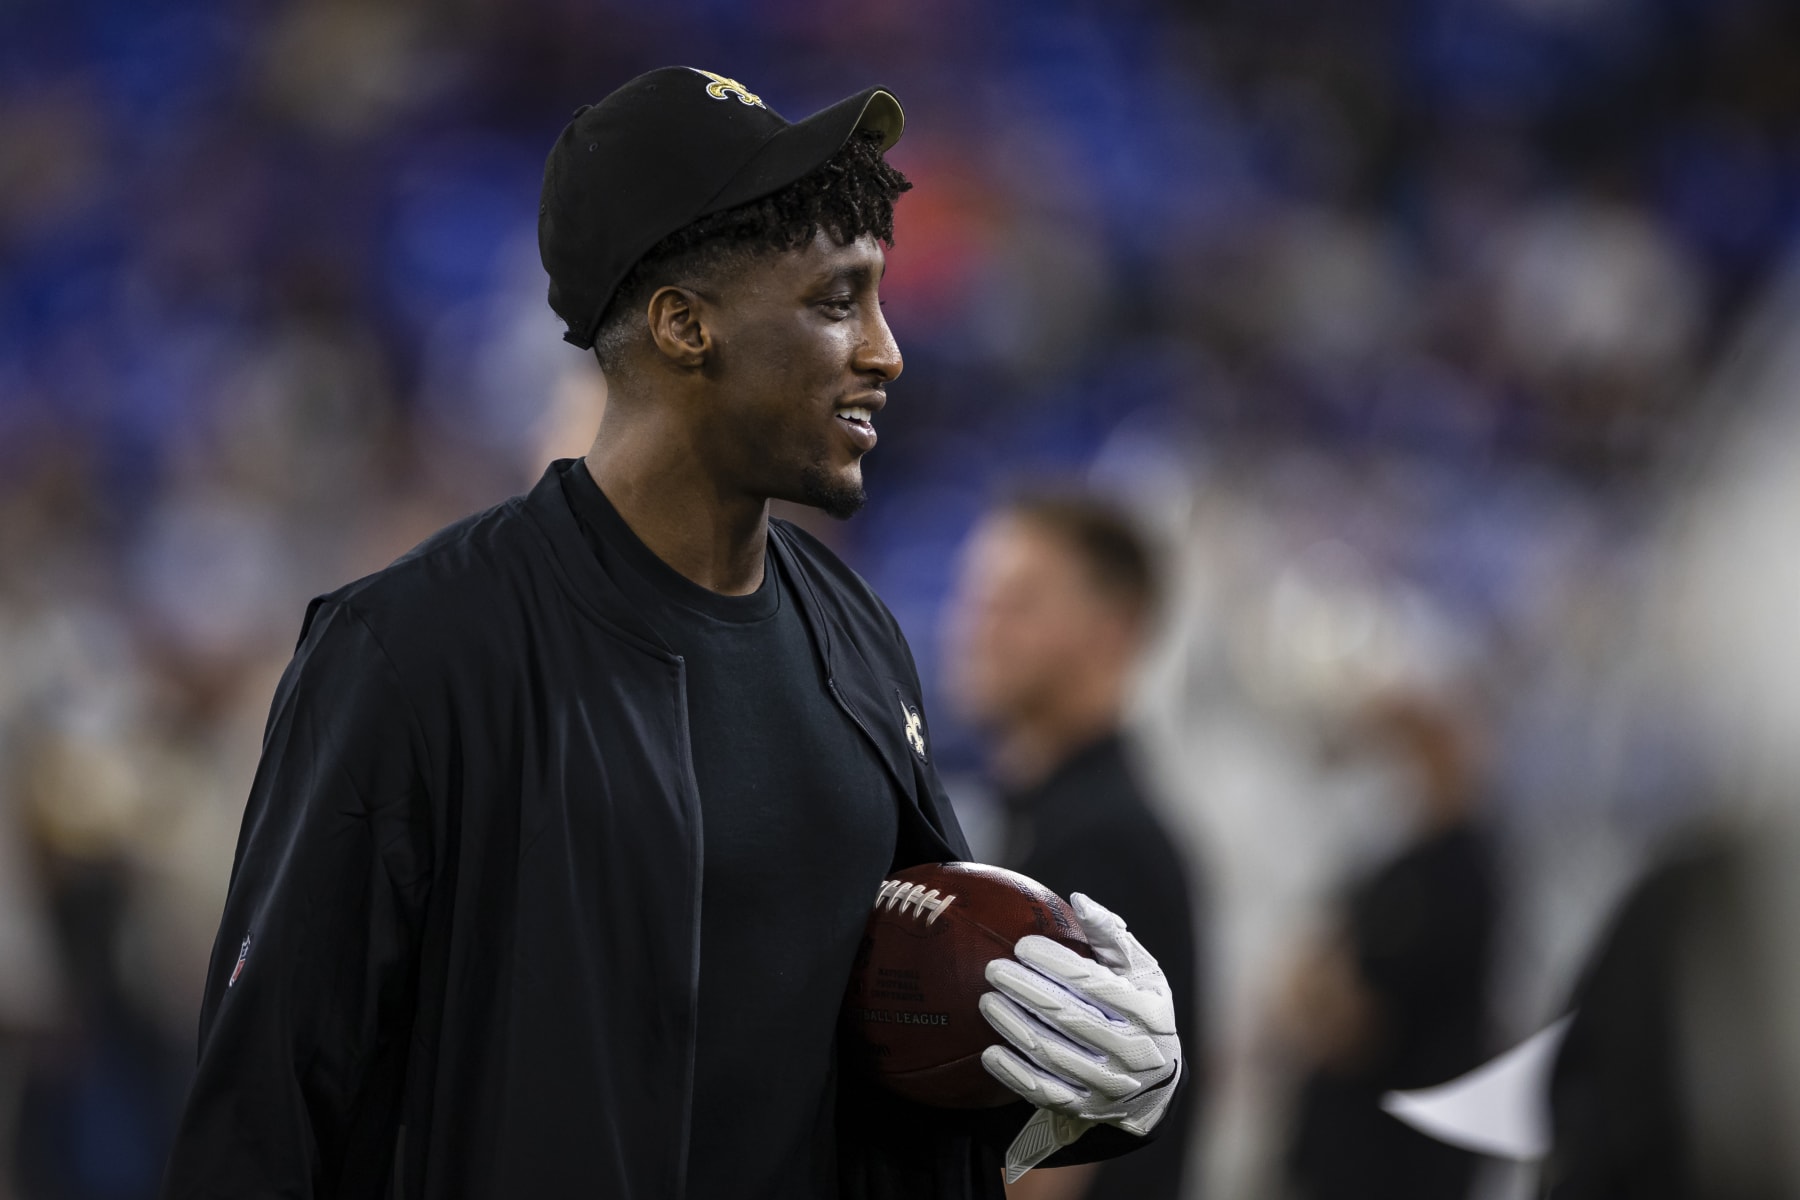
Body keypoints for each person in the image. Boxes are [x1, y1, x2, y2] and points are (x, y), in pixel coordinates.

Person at [157, 67, 1184, 1199]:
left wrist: (1069, 1099)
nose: (887, 350)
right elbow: (263, 1119)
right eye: (838, 301)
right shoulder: (411, 652)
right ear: (685, 325)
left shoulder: (859, 640)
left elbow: (874, 1062)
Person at [944, 492, 1200, 1200]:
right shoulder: (1037, 815)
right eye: (977, 595)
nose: (976, 624)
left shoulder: (1107, 847)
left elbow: (1046, 1167)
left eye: (1017, 601)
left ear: (1112, 632)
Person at [1280, 692, 1499, 1200]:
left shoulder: (1460, 879)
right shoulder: (1392, 870)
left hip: (1400, 1163)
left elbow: (1355, 1023)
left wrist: (1324, 1002)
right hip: (1345, 1154)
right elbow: (1303, 978)